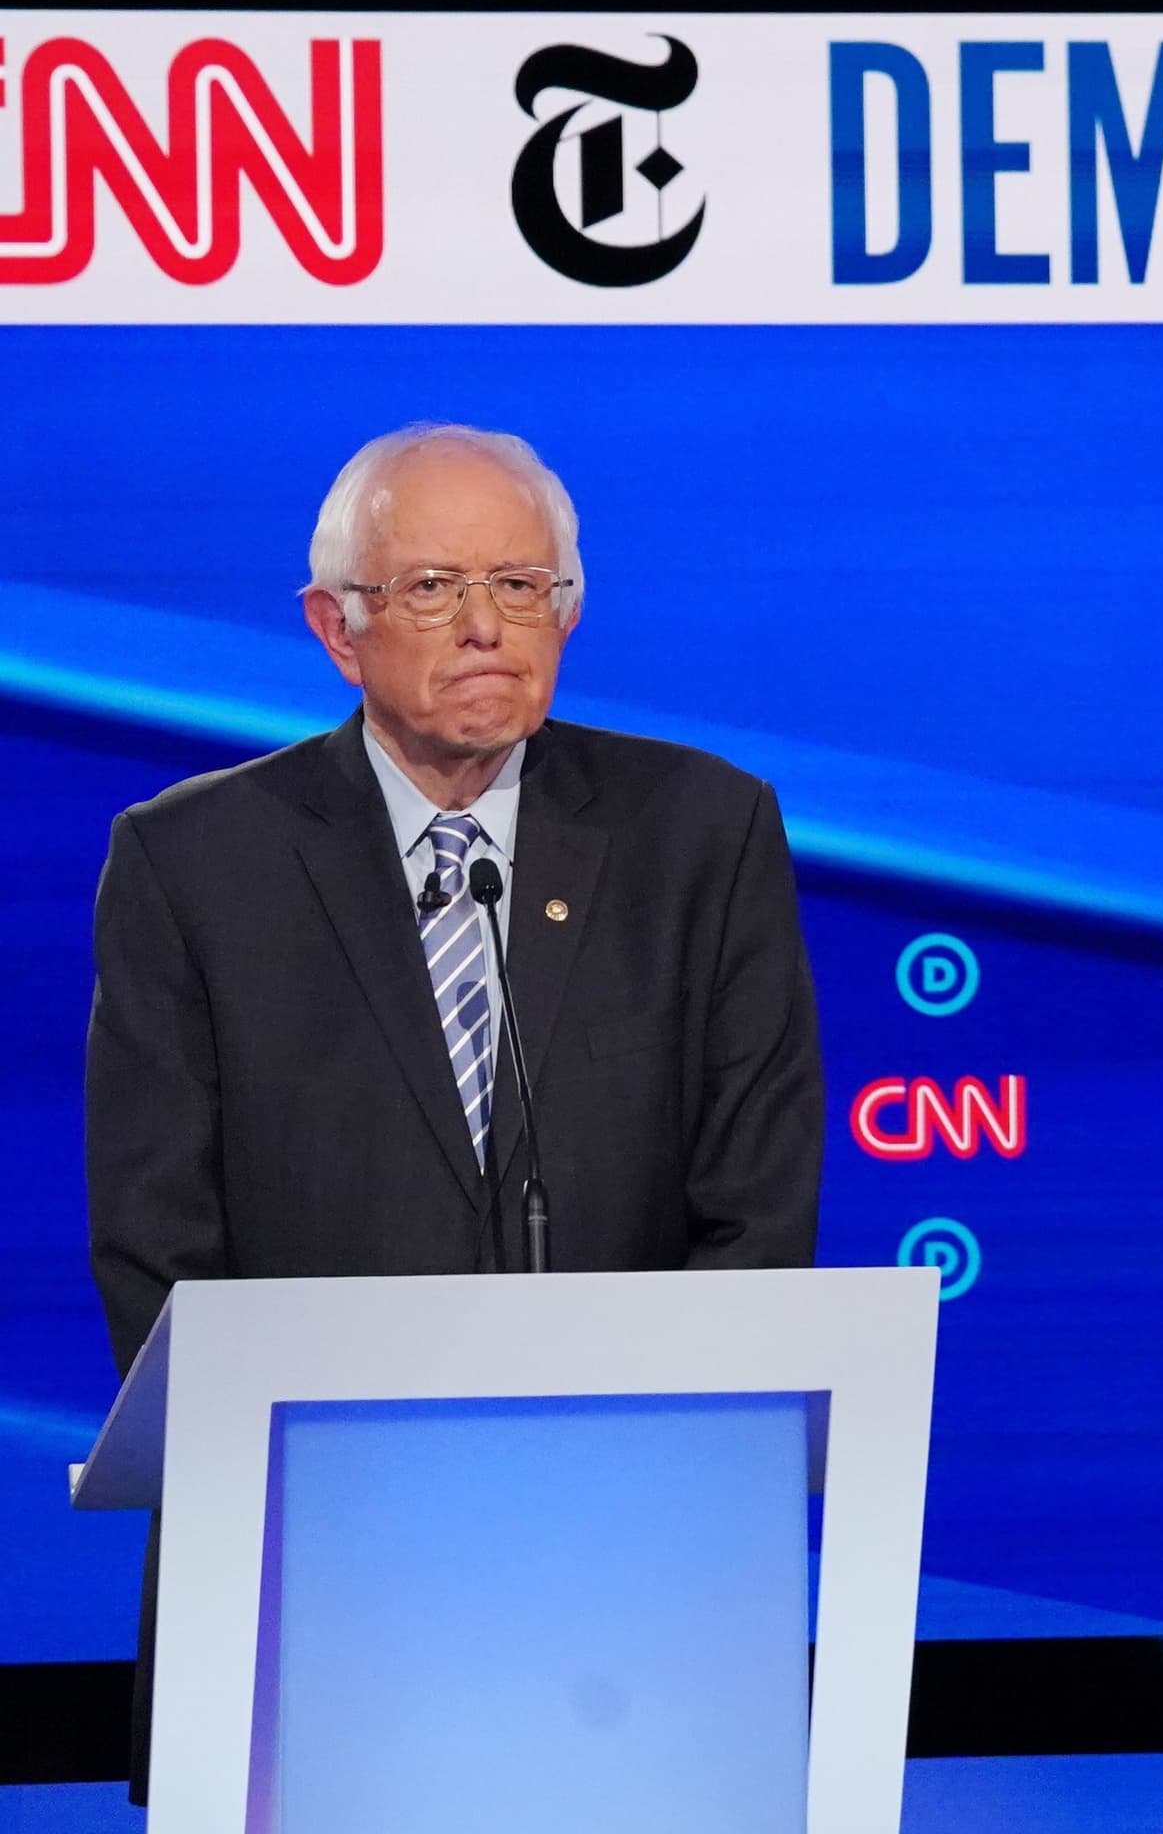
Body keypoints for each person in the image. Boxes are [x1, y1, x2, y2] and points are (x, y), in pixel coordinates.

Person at [84, 423, 826, 1791]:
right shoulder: (193, 862)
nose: (489, 627)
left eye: (524, 587)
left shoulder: (701, 834)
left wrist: (650, 1478)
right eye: (433, 589)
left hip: (638, 1570)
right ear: (336, 627)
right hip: (312, 1565)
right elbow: (157, 1241)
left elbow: (758, 1204)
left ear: (571, 608)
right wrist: (333, 1486)